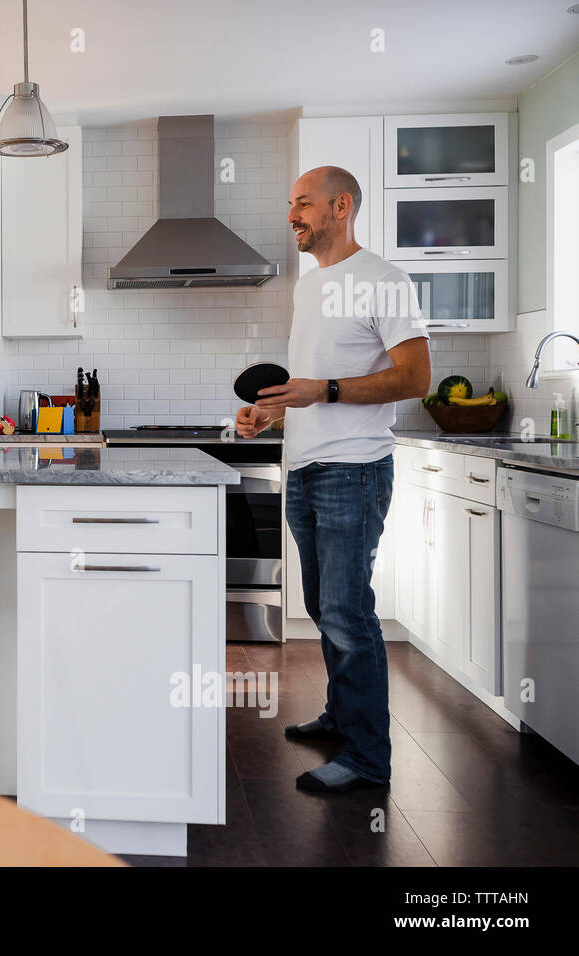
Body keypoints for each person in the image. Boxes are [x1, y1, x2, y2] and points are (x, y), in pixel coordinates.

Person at [237, 166, 430, 793]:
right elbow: (315, 381)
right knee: (324, 605)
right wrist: (267, 412)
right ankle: (344, 716)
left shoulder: (385, 281)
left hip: (355, 469)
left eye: (303, 204)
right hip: (306, 466)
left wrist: (327, 389)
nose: (291, 215)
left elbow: (414, 379)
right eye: (290, 203)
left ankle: (369, 759)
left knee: (348, 612)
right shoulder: (311, 286)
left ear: (340, 206)